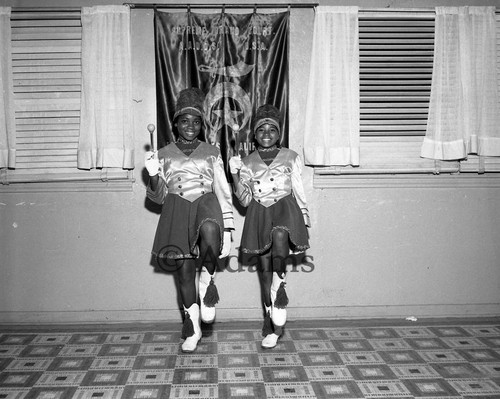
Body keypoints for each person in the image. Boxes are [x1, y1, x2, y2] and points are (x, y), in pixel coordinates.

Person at [145, 88, 234, 353]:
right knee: (184, 274)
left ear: (202, 124)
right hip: (176, 209)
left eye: (196, 121)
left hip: (206, 203)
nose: (190, 126)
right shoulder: (162, 153)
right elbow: (158, 198)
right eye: (185, 121)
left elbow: (223, 189)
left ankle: (207, 278)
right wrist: (152, 174)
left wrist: (227, 228)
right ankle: (192, 329)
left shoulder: (212, 152)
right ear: (175, 123)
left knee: (209, 231)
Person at [229, 104, 310, 349]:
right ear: (254, 134)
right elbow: (243, 200)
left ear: (279, 133)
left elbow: (299, 189)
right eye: (261, 129)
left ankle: (281, 280)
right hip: (259, 214)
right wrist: (234, 174)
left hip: (285, 209)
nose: (266, 133)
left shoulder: (291, 156)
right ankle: (270, 323)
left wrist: (304, 219)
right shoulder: (247, 161)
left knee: (280, 235)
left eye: (272, 129)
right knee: (264, 275)